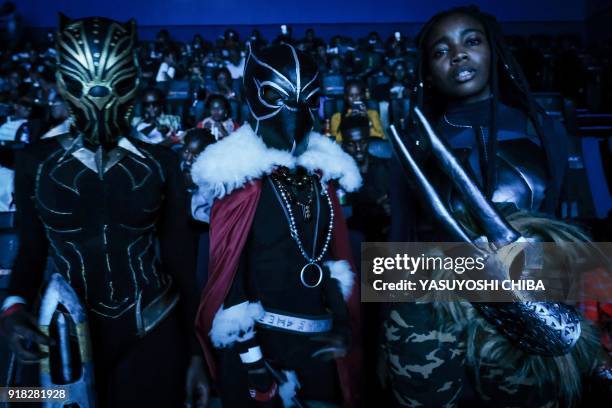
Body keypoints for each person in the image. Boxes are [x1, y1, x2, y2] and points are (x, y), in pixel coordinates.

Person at [384, 6, 603, 407]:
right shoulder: (416, 148)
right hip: (441, 309)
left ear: (493, 50)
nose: (459, 54)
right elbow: (401, 242)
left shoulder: (542, 127)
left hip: (531, 303)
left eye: (471, 41)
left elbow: (568, 227)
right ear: (428, 71)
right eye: (441, 50)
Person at [0, 16, 209, 407]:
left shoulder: (161, 163)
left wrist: (196, 356)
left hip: (153, 329)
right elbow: (30, 252)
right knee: (17, 398)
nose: (98, 100)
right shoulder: (34, 161)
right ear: (65, 80)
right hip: (58, 333)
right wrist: (12, 310)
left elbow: (182, 264)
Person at [192, 43, 362, 407]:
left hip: (319, 342)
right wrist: (251, 358)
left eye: (306, 98)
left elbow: (331, 258)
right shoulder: (240, 182)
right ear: (254, 95)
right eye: (276, 95)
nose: (293, 110)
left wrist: (344, 324)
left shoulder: (320, 176)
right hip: (261, 345)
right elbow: (229, 275)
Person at [340, 115, 390, 242]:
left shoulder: (385, 166)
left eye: (362, 142)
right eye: (351, 144)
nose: (358, 149)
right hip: (358, 234)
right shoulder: (341, 174)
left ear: (368, 140)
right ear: (344, 145)